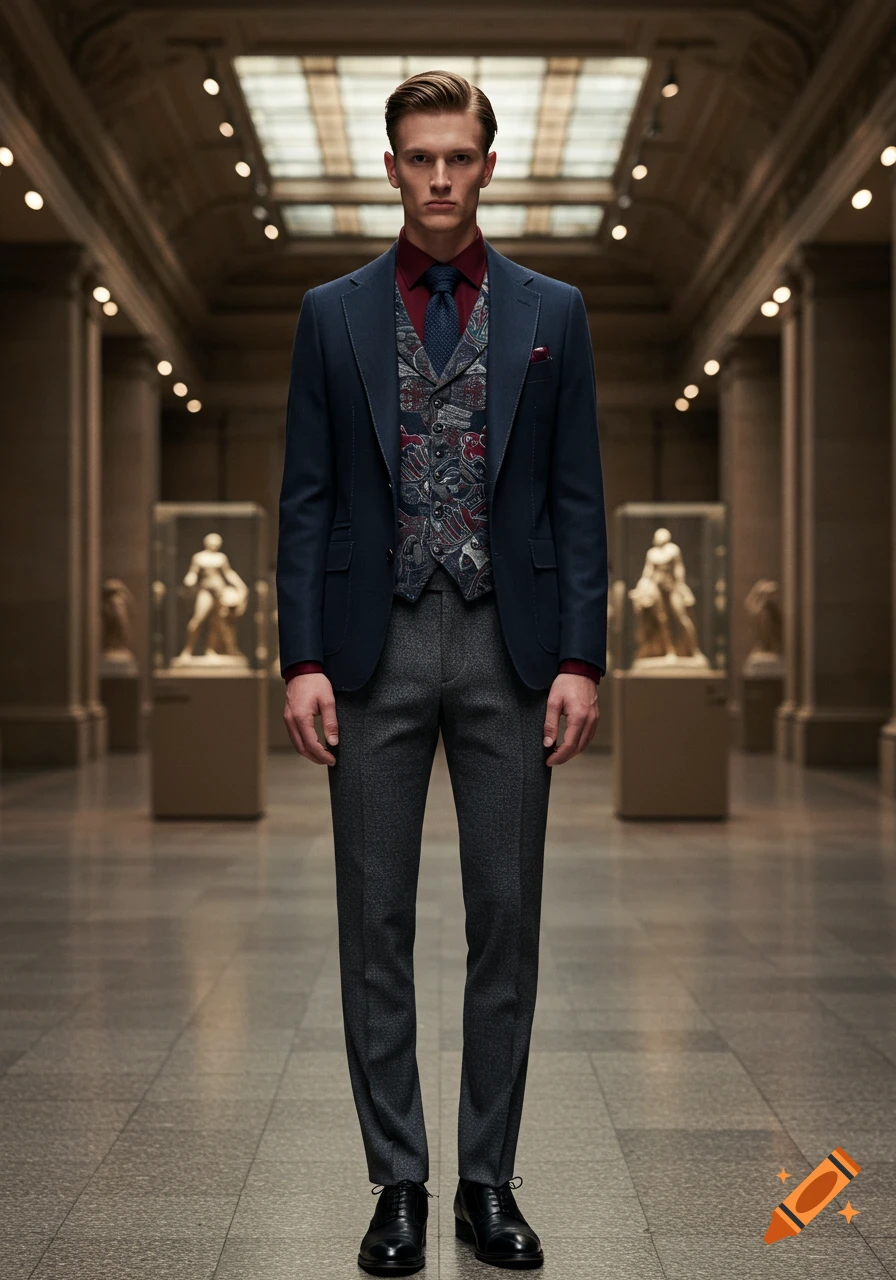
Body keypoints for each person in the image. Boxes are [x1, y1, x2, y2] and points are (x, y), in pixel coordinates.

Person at [276, 68, 607, 1274]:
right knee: (373, 923)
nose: (437, 179)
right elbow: (304, 497)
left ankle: (487, 1180)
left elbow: (578, 497)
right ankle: (397, 1184)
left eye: (456, 157)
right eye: (418, 158)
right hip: (369, 648)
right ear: (389, 166)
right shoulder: (333, 312)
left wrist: (580, 654)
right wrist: (300, 653)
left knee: (504, 921)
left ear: (485, 163)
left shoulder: (549, 311)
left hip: (508, 649)